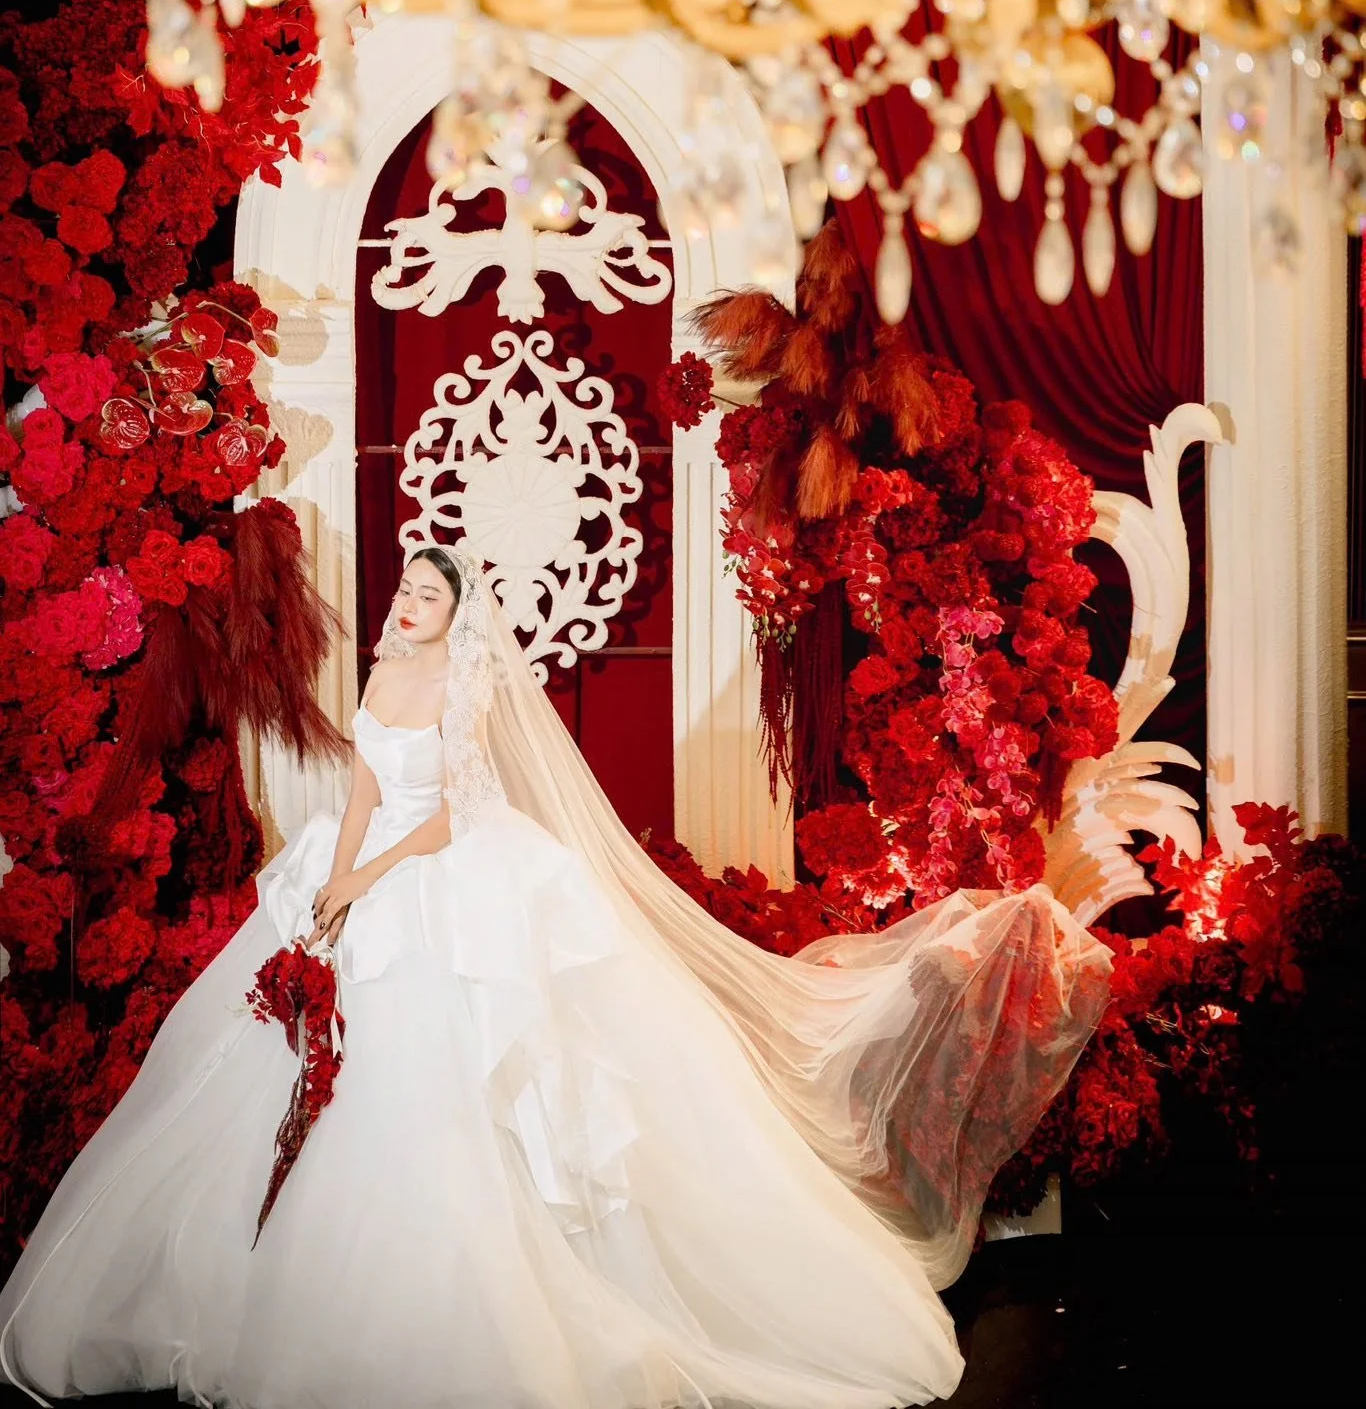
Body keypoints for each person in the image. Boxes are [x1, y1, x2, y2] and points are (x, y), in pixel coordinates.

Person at [0, 543, 1110, 1409]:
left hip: (439, 871)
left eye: (428, 603)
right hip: (359, 870)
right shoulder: (381, 670)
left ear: (457, 614)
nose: (407, 612)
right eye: (406, 598)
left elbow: (444, 814)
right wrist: (329, 890)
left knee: (463, 1079)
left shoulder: (461, 690)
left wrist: (376, 874)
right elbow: (354, 796)